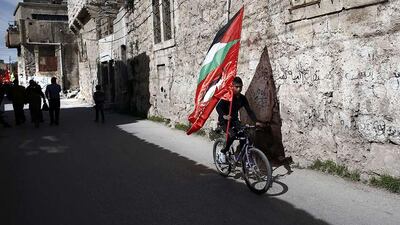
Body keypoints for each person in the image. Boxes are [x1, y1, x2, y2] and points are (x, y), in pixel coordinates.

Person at [216, 77, 263, 163]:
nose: (239, 89)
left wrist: (256, 121)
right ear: (232, 86)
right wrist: (224, 116)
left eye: (240, 87)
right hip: (224, 122)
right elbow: (218, 107)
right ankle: (223, 152)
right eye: (237, 87)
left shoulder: (242, 98)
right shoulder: (228, 96)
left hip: (234, 121)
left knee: (245, 135)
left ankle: (243, 157)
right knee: (232, 135)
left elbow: (249, 111)